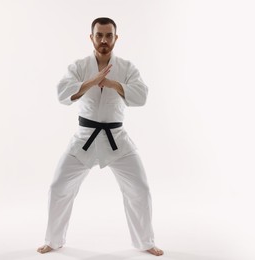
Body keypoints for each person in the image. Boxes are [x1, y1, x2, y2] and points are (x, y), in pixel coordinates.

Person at [37, 17, 164, 256]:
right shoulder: (79, 66)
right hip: (84, 138)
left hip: (117, 138)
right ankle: (53, 240)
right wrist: (91, 82)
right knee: (58, 187)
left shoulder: (127, 67)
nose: (104, 40)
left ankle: (145, 242)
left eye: (108, 35)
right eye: (99, 35)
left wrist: (113, 83)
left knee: (140, 188)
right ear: (91, 37)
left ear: (116, 38)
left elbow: (142, 95)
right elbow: (61, 93)